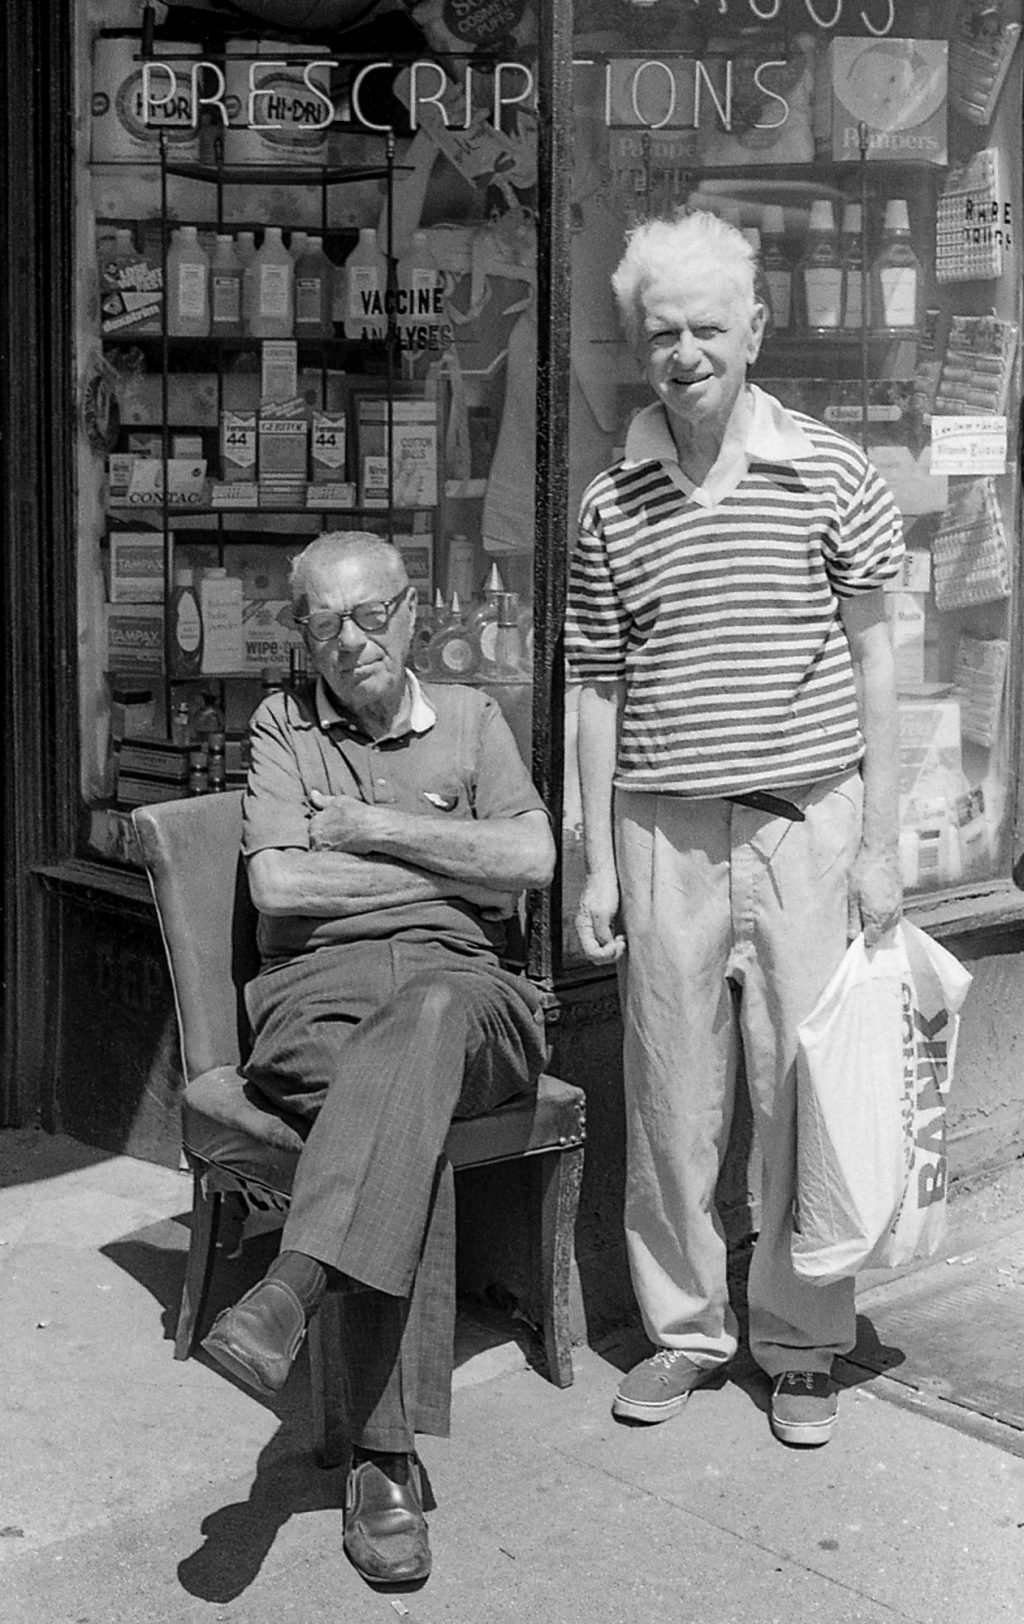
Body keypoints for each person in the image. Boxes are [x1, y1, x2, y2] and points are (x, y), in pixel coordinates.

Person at [566, 210, 903, 1450]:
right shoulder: (611, 501)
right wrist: (596, 861)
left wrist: (879, 839)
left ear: (755, 330)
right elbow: (591, 684)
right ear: (636, 347)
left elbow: (877, 656)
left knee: (801, 1091)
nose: (688, 352)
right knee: (670, 1097)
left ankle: (804, 1343)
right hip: (661, 829)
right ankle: (685, 1332)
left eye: (710, 326)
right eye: (664, 332)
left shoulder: (829, 469)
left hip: (804, 825)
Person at [202, 531, 555, 1583]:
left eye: (368, 617)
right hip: (321, 994)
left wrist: (365, 827)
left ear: (411, 615)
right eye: (322, 622)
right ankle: (382, 1463)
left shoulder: (477, 719)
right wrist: (454, 871)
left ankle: (291, 1288)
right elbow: (281, 891)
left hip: (473, 996)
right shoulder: (279, 724)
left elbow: (532, 858)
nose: (348, 641)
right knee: (407, 1104)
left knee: (433, 1020)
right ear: (301, 633)